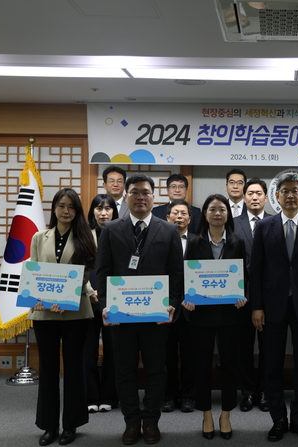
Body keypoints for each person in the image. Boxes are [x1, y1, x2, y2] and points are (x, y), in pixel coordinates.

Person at [97, 173, 184, 445]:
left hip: (156, 316)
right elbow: (103, 272)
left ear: (153, 196)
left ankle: (151, 421)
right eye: (134, 192)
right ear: (126, 196)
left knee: (157, 370)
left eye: (145, 192)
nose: (140, 197)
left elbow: (177, 273)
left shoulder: (168, 230)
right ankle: (132, 421)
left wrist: (172, 305)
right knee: (124, 371)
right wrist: (105, 306)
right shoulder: (111, 229)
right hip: (121, 316)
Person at [250, 171, 298, 442]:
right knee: (272, 365)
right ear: (277, 195)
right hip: (271, 306)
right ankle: (278, 420)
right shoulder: (264, 226)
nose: (291, 195)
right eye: (285, 191)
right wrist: (256, 306)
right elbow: (256, 269)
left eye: (295, 190)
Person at [28, 188, 96, 446]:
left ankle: (70, 425)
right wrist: (45, 299)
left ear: (77, 211)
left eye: (71, 207)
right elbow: (34, 271)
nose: (66, 211)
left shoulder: (86, 236)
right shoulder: (39, 237)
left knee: (74, 369)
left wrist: (66, 299)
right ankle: (49, 426)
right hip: (44, 311)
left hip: (75, 310)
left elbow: (85, 273)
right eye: (61, 206)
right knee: (47, 369)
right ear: (54, 208)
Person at [183, 194, 249, 440]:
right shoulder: (194, 243)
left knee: (230, 365)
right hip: (201, 314)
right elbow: (186, 275)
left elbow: (245, 275)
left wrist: (244, 295)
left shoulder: (237, 242)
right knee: (201, 365)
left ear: (228, 214)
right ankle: (207, 414)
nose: (218, 213)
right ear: (205, 214)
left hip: (231, 314)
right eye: (212, 209)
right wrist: (187, 298)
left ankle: (226, 414)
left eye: (222, 209)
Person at [233, 178, 271, 412]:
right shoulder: (233, 224)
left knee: (268, 348)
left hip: (270, 297)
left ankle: (265, 391)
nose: (254, 197)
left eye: (258, 193)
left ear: (266, 197)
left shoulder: (277, 222)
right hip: (241, 298)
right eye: (250, 193)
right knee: (243, 348)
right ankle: (247, 392)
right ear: (243, 197)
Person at [161, 199, 198, 413]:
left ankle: (188, 396)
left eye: (184, 213)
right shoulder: (159, 242)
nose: (179, 217)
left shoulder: (197, 241)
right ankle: (168, 396)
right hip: (166, 307)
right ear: (167, 218)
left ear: (190, 219)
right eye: (175, 213)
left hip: (192, 307)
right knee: (167, 355)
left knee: (190, 355)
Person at [83, 194, 119, 415]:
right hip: (87, 300)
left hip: (114, 300)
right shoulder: (83, 234)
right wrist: (89, 291)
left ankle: (109, 396)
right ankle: (90, 397)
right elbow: (78, 265)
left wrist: (107, 294)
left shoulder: (121, 233)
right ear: (92, 212)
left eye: (108, 208)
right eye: (99, 208)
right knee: (87, 351)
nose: (103, 212)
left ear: (114, 211)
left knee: (113, 351)